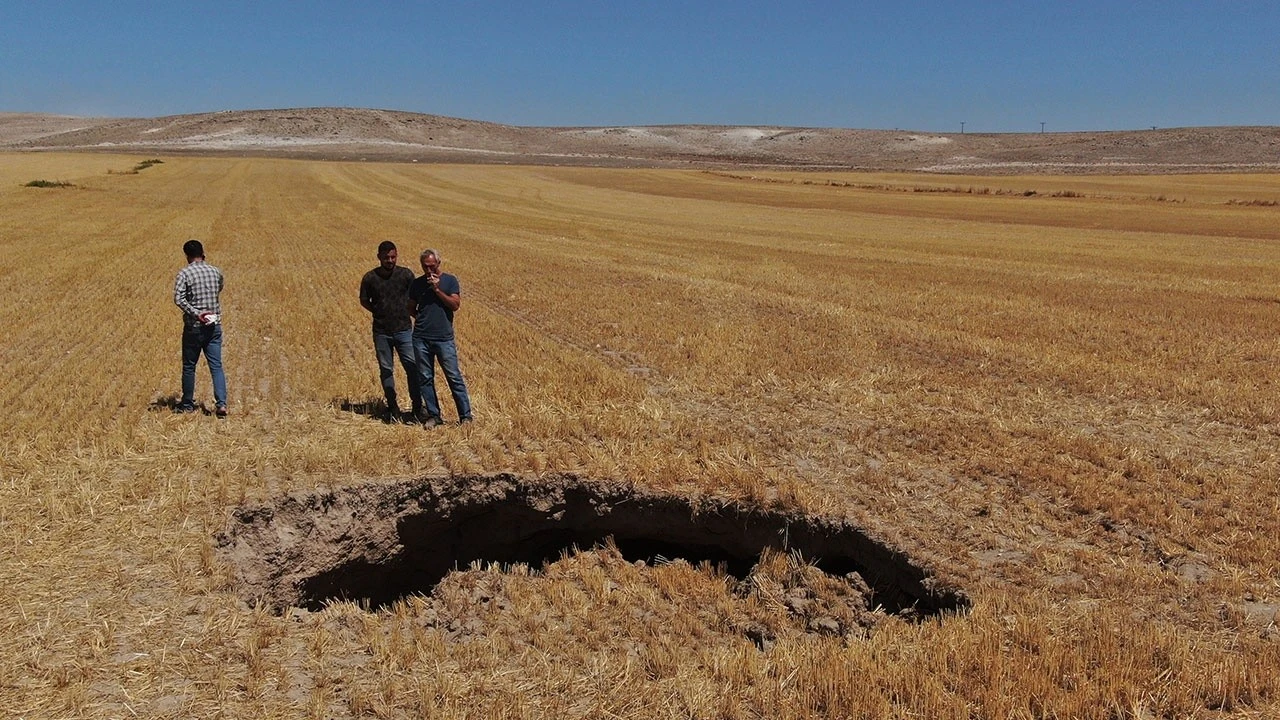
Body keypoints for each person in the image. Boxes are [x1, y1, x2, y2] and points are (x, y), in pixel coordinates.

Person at [407, 248, 473, 427]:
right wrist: (422, 319)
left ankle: (465, 416)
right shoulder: (417, 284)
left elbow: (455, 305)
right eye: (425, 267)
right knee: (426, 378)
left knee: (453, 377)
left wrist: (437, 290)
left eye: (432, 266)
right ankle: (434, 415)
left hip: (444, 338)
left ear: (438, 264)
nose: (429, 271)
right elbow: (410, 307)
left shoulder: (450, 281)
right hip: (421, 338)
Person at [359, 240, 421, 423]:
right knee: (386, 369)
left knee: (412, 367)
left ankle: (418, 407)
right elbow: (364, 300)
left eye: (393, 257)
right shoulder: (370, 278)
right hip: (382, 331)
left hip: (404, 330)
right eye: (386, 257)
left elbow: (415, 297)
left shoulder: (406, 275)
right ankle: (393, 407)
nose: (390, 260)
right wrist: (379, 311)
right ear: (379, 257)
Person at [173, 239, 228, 417]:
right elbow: (219, 288)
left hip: (194, 327)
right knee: (216, 366)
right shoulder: (215, 271)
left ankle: (187, 404)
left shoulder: (184, 274)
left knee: (189, 366)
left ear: (187, 256)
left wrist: (196, 313)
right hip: (214, 326)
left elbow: (179, 299)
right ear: (203, 254)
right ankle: (221, 404)